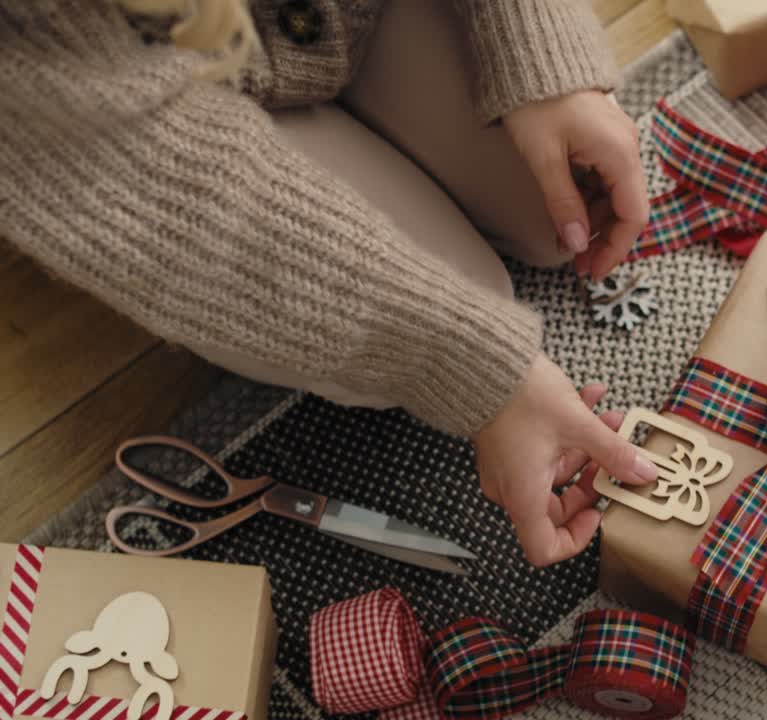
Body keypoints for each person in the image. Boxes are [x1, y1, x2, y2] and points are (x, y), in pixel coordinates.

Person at [0, 0, 658, 566]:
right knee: (467, 293)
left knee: (561, 199)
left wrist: (546, 64)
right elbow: (162, 193)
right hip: (144, 106)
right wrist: (468, 362)